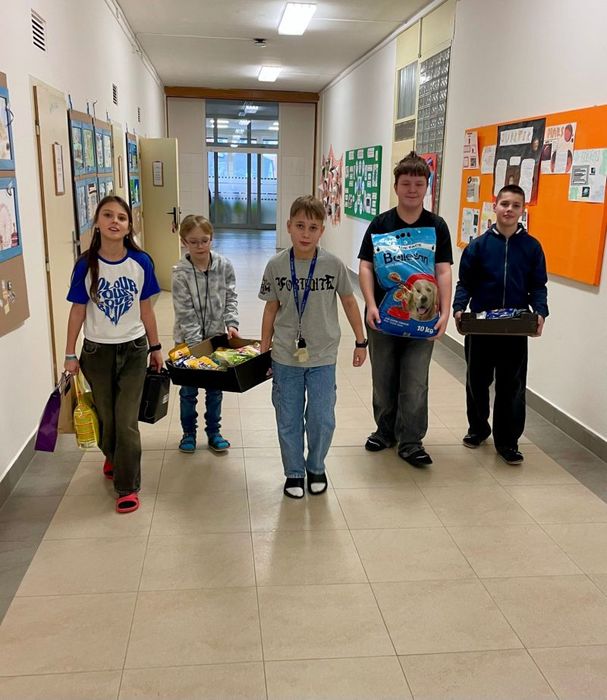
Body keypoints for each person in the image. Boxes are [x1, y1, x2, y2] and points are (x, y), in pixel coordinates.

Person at [259, 195, 367, 498]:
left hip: (323, 356)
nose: (306, 234)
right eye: (300, 226)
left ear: (322, 231)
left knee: (322, 418)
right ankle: (294, 472)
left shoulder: (333, 265)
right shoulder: (276, 265)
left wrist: (361, 341)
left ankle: (316, 466)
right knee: (288, 418)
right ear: (289, 226)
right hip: (285, 356)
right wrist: (264, 351)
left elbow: (349, 302)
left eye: (313, 228)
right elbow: (270, 309)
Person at [64, 195, 163, 514]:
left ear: (129, 226)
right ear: (97, 223)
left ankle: (127, 486)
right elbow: (78, 311)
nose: (114, 221)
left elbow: (146, 309)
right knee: (106, 417)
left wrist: (155, 347)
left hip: (134, 350)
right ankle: (112, 455)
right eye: (107, 215)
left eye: (121, 217)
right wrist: (70, 354)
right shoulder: (85, 265)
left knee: (126, 420)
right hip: (96, 353)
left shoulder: (141, 262)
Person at [358, 152, 453, 467]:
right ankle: (385, 431)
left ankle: (411, 441)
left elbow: (443, 271)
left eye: (419, 184)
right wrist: (371, 305)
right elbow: (366, 266)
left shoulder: (436, 226)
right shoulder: (381, 223)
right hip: (383, 316)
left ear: (427, 186)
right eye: (406, 183)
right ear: (396, 186)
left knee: (415, 381)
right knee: (383, 378)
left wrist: (445, 312)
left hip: (423, 320)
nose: (412, 189)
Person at [453, 184, 548, 465]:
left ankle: (508, 442)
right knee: (477, 382)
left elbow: (538, 286)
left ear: (522, 210)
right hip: (481, 327)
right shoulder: (478, 246)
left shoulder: (532, 248)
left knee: (511, 386)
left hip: (515, 328)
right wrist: (459, 308)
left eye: (516, 205)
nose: (509, 210)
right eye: (504, 204)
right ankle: (478, 429)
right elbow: (465, 283)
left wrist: (540, 312)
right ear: (495, 206)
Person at [172, 215, 239, 454]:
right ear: (184, 242)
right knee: (188, 391)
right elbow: (184, 312)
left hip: (216, 339)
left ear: (212, 238)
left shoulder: (224, 265)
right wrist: (195, 347)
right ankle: (188, 433)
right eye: (193, 242)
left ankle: (214, 432)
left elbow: (231, 297)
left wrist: (231, 323)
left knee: (215, 390)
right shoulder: (180, 273)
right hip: (187, 343)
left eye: (204, 240)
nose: (200, 246)